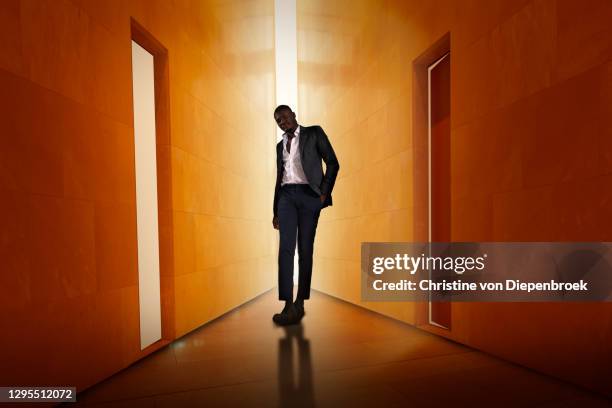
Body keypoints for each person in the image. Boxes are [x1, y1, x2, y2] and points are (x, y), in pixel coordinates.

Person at [271, 105, 339, 326]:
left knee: (305, 249)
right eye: (278, 120)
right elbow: (279, 179)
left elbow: (333, 162)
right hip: (286, 197)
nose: (282, 122)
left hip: (310, 196)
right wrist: (275, 211)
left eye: (284, 117)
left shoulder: (314, 133)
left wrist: (323, 193)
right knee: (285, 250)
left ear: (293, 115)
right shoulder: (279, 145)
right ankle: (287, 303)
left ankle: (300, 302)